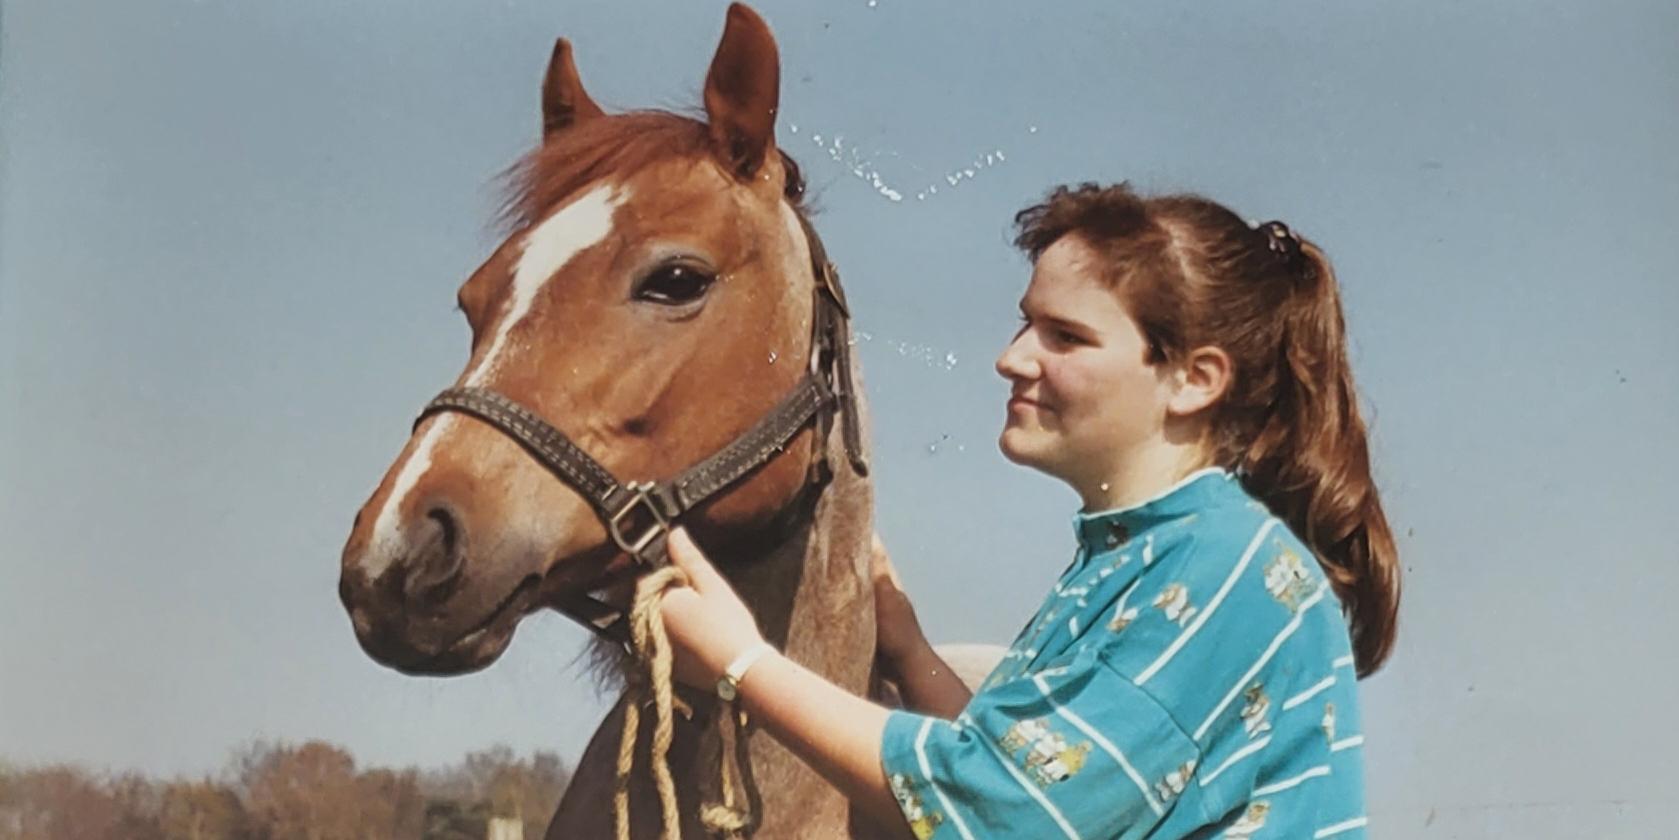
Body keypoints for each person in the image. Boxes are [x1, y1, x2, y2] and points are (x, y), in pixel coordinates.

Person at [656, 182, 1400, 839]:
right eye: (1025, 324)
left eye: (1065, 336)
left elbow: (1004, 814)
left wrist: (740, 662)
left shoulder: (1227, 571)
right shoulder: (1147, 552)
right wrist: (910, 651)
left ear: (1193, 381)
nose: (1011, 358)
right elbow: (1039, 773)